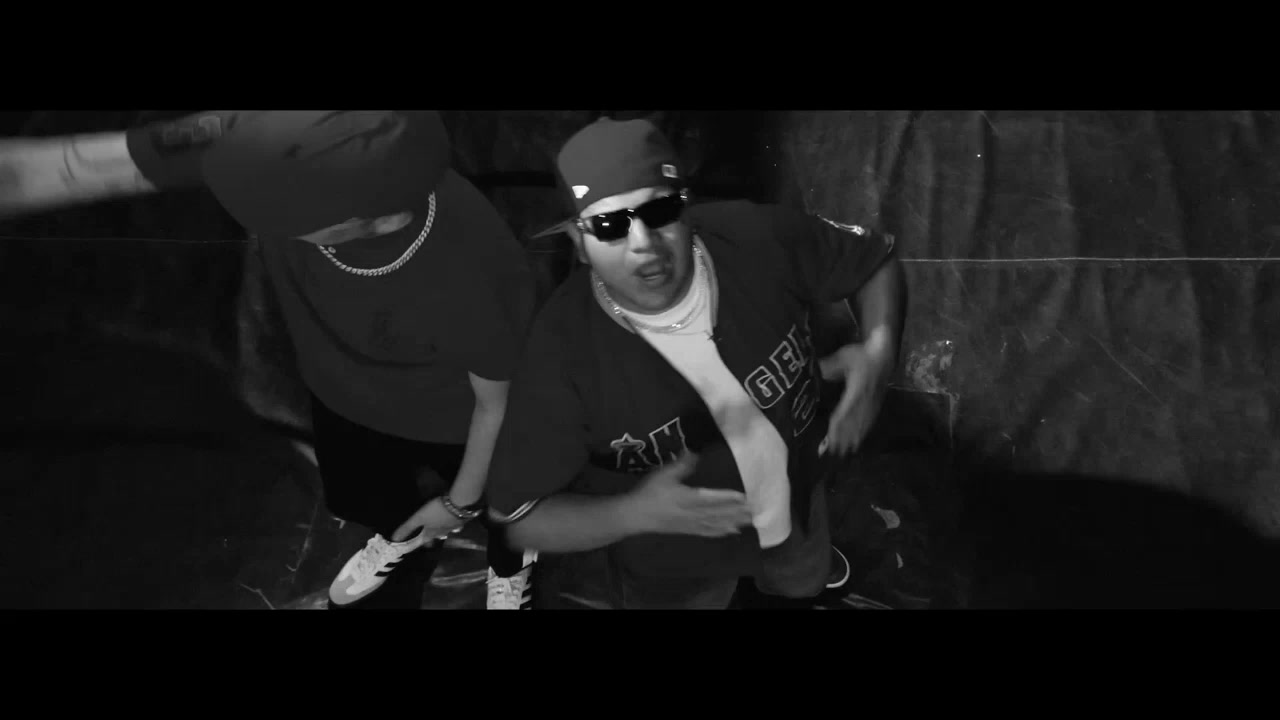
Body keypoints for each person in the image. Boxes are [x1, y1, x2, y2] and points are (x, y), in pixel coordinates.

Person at [0, 111, 537, 609]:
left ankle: (512, 563)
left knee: (506, 505)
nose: (252, 216)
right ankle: (398, 540)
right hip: (340, 400)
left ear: (368, 218)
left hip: (450, 420)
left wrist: (458, 504)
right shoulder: (268, 138)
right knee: (368, 499)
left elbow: (496, 407)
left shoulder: (468, 278)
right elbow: (38, 172)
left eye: (276, 213)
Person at [484, 117, 906, 609]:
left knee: (800, 582)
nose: (643, 242)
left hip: (799, 507)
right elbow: (519, 519)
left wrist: (878, 355)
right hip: (674, 565)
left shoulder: (758, 238)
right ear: (579, 244)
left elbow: (872, 262)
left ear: (686, 207)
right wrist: (633, 514)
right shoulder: (561, 358)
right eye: (609, 225)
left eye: (659, 210)